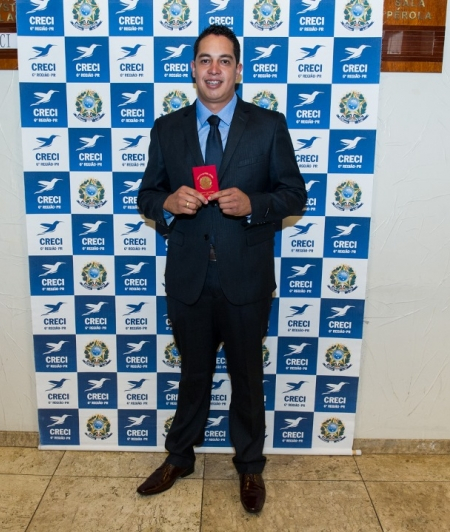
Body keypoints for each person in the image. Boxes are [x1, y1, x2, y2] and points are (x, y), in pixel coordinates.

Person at [136, 24, 306, 513]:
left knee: (247, 377)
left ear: (238, 70)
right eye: (206, 60)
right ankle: (179, 457)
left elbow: (294, 194)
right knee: (193, 374)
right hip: (189, 277)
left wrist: (254, 204)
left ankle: (250, 466)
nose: (214, 70)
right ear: (193, 69)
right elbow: (147, 194)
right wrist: (167, 203)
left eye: (224, 60)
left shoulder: (268, 125)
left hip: (245, 278)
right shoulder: (167, 128)